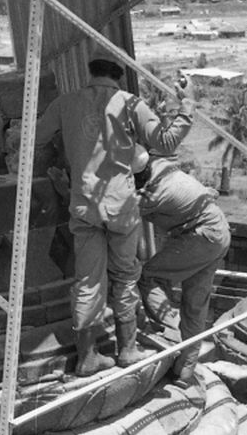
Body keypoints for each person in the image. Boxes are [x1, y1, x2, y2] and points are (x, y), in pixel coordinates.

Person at [35, 47, 194, 376]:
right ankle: (127, 350)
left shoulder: (65, 102)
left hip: (83, 206)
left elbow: (33, 137)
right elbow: (165, 143)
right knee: (124, 278)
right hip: (121, 207)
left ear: (90, 73)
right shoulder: (130, 103)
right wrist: (185, 105)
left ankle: (87, 357)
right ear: (118, 77)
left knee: (87, 282)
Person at [132, 145, 230, 385]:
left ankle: (172, 330)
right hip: (219, 230)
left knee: (149, 277)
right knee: (195, 304)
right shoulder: (167, 171)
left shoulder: (154, 194)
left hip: (201, 236)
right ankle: (186, 369)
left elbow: (116, 213)